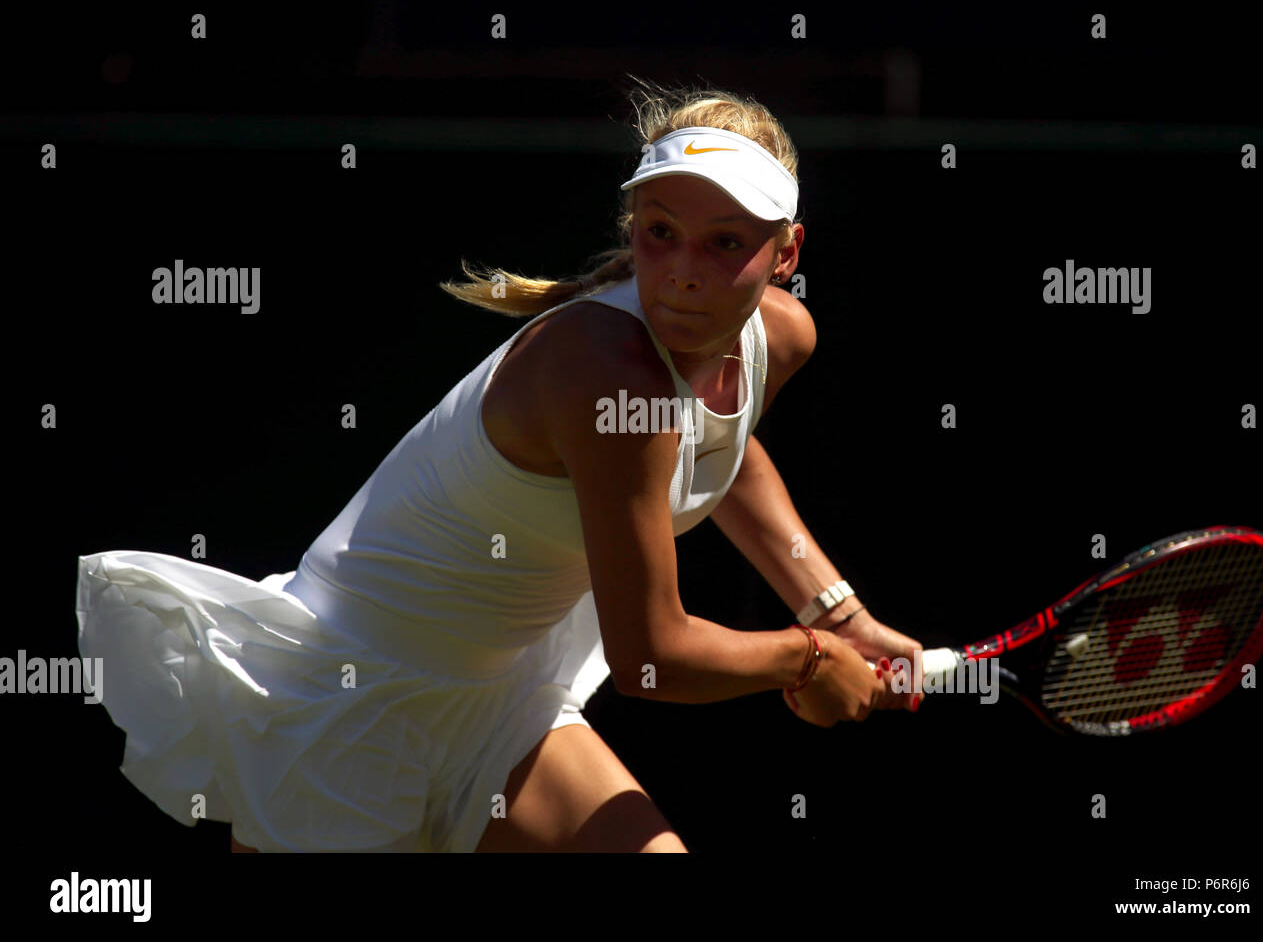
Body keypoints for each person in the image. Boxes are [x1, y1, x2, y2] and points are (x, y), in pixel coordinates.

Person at [75, 78, 926, 855]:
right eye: (660, 234)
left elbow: (722, 455)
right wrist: (809, 658)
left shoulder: (779, 337)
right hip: (348, 704)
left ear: (786, 254)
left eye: (725, 243)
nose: (683, 275)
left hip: (499, 706)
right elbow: (654, 659)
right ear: (632, 229)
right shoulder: (602, 367)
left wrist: (838, 612)